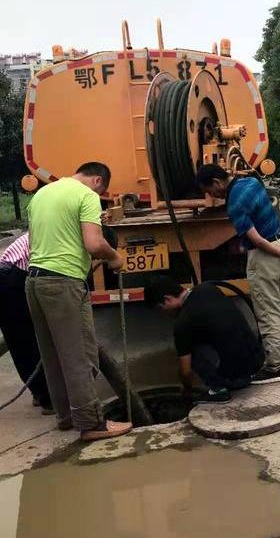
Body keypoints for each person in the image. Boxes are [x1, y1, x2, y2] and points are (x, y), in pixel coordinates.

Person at [26, 162, 132, 441]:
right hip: (63, 283)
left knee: (52, 354)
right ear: (97, 180)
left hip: (34, 281)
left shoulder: (42, 194)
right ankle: (91, 424)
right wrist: (114, 257)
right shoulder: (86, 196)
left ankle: (66, 417)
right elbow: (94, 243)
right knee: (79, 355)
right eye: (103, 190)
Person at [196, 164, 280, 384]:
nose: (210, 195)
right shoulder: (251, 182)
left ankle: (275, 367)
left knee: (267, 311)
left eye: (208, 190)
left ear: (216, 182)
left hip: (266, 255)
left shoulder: (235, 204)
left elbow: (257, 240)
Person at [144, 275, 264, 401]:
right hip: (256, 366)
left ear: (167, 299)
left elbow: (186, 371)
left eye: (160, 308)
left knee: (187, 350)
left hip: (235, 379)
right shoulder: (208, 289)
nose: (163, 313)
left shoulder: (182, 323)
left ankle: (218, 390)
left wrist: (187, 388)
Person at [0, 233, 53, 414]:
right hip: (11, 278)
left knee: (23, 339)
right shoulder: (63, 239)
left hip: (12, 273)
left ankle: (41, 392)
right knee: (23, 341)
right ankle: (46, 397)